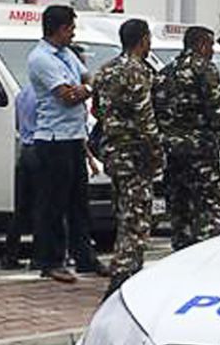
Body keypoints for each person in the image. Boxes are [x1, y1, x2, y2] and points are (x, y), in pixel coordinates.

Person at [26, 5, 101, 284]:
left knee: (79, 204)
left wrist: (89, 85)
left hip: (73, 137)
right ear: (58, 29)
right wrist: (91, 90)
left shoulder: (66, 54)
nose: (73, 33)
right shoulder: (41, 59)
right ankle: (51, 261)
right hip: (53, 139)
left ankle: (85, 258)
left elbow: (85, 77)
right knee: (53, 205)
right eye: (71, 28)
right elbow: (67, 96)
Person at [92, 18, 163, 295]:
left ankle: (127, 273)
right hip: (136, 155)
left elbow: (96, 110)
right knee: (136, 221)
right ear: (143, 40)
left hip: (114, 154)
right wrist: (157, 154)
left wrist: (115, 124)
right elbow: (147, 120)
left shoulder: (106, 69)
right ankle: (123, 278)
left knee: (124, 213)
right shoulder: (137, 72)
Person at [154, 25, 220, 250]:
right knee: (209, 210)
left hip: (173, 155)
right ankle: (206, 259)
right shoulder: (204, 69)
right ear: (202, 45)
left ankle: (181, 256)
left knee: (180, 211)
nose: (212, 51)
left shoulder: (165, 72)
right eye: (210, 45)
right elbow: (218, 112)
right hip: (200, 154)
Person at [0, 83, 42, 270]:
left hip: (24, 151)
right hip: (42, 149)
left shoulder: (23, 93)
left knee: (22, 208)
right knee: (45, 206)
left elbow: (18, 124)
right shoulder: (46, 95)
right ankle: (41, 256)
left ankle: (10, 255)